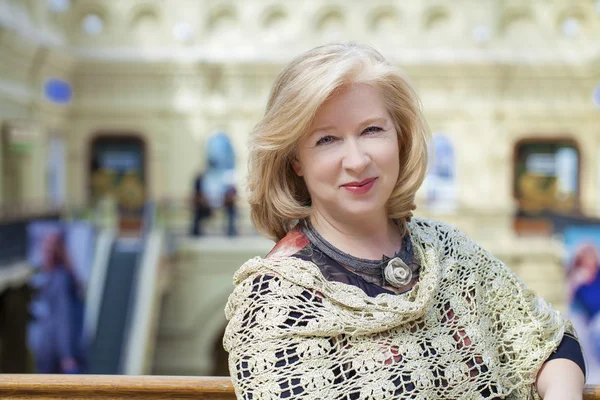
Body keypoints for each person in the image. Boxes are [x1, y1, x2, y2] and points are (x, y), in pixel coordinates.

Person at [223, 43, 585, 399]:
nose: (357, 160)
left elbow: (550, 344)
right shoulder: (273, 303)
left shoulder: (449, 252)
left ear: (400, 137)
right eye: (327, 139)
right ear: (295, 160)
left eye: (372, 130)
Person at [32, 231, 85, 374]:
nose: (45, 254)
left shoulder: (61, 279)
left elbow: (64, 317)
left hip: (55, 354)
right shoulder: (51, 277)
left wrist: (66, 355)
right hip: (49, 351)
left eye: (48, 250)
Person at [191, 171, 211, 236]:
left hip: (199, 204)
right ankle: (195, 232)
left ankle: (196, 231)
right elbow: (199, 194)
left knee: (198, 218)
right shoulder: (198, 183)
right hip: (198, 204)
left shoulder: (200, 183)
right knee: (197, 218)